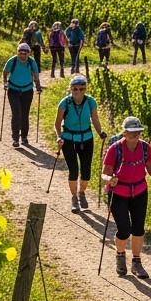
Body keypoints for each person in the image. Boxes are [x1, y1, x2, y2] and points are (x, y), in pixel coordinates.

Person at [101, 116, 151, 279]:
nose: (135, 134)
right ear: (124, 132)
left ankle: (136, 262)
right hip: (118, 193)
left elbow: (149, 165)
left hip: (139, 191)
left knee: (138, 228)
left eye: (138, 131)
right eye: (131, 131)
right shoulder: (115, 149)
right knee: (124, 229)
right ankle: (120, 254)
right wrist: (110, 179)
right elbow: (105, 173)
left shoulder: (145, 147)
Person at [54, 74, 106, 214]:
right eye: (75, 88)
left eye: (81, 88)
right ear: (71, 89)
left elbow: (95, 119)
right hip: (68, 139)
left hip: (86, 138)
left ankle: (81, 192)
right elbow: (57, 123)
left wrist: (100, 132)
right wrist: (59, 137)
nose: (78, 91)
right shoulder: (65, 103)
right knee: (73, 170)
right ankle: (74, 198)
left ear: (85, 89)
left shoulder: (90, 102)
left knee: (86, 172)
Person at [2, 43, 43, 149]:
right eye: (21, 53)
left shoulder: (31, 62)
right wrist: (5, 82)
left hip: (27, 90)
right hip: (13, 90)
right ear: (18, 53)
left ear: (28, 53)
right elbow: (5, 72)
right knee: (16, 113)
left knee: (25, 114)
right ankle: (15, 138)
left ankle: (24, 137)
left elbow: (36, 75)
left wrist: (38, 86)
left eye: (25, 53)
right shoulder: (13, 60)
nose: (23, 55)